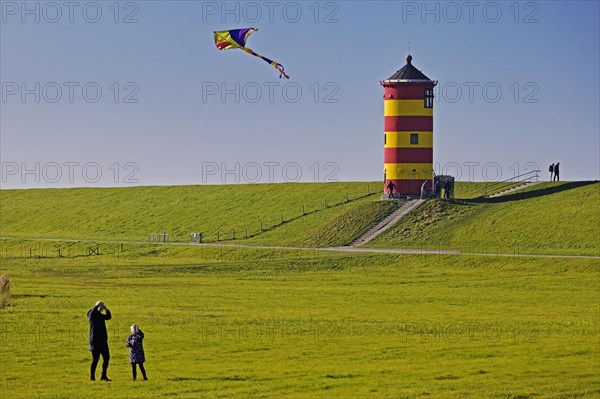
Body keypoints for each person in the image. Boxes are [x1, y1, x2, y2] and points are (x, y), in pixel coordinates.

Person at [88, 301, 112, 381]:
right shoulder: (92, 315)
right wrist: (97, 305)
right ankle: (92, 377)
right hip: (95, 341)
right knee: (95, 359)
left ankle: (103, 376)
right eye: (101, 306)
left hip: (103, 341)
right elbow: (91, 314)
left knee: (106, 358)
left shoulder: (100, 315)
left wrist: (106, 309)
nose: (102, 307)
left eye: (103, 305)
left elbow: (108, 317)